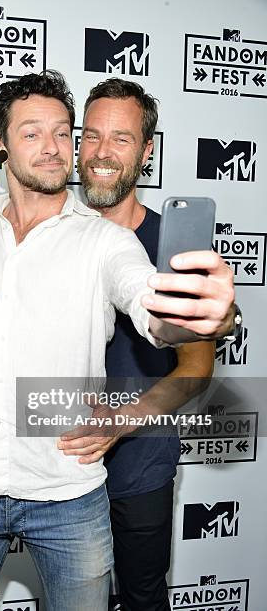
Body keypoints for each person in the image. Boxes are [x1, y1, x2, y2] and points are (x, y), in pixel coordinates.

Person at [0, 71, 235, 611]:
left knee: (141, 593)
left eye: (62, 133)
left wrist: (203, 315)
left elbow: (151, 310)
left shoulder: (107, 240)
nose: (54, 149)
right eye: (32, 134)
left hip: (70, 496)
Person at [58, 78, 215, 611]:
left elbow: (197, 368)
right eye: (92, 136)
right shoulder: (46, 235)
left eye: (122, 139)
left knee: (143, 600)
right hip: (55, 466)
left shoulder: (174, 249)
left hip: (142, 465)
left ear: (147, 152)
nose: (103, 153)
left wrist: (125, 419)